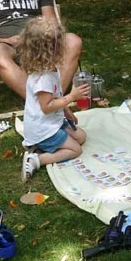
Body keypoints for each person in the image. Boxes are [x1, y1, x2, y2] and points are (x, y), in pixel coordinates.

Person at [18, 17, 90, 181]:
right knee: (75, 150)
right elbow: (46, 106)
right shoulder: (44, 78)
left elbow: (55, 97)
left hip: (53, 122)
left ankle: (40, 148)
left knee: (81, 136)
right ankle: (37, 159)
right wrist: (71, 97)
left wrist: (66, 110)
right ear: (51, 50)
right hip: (44, 130)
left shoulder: (50, 69)